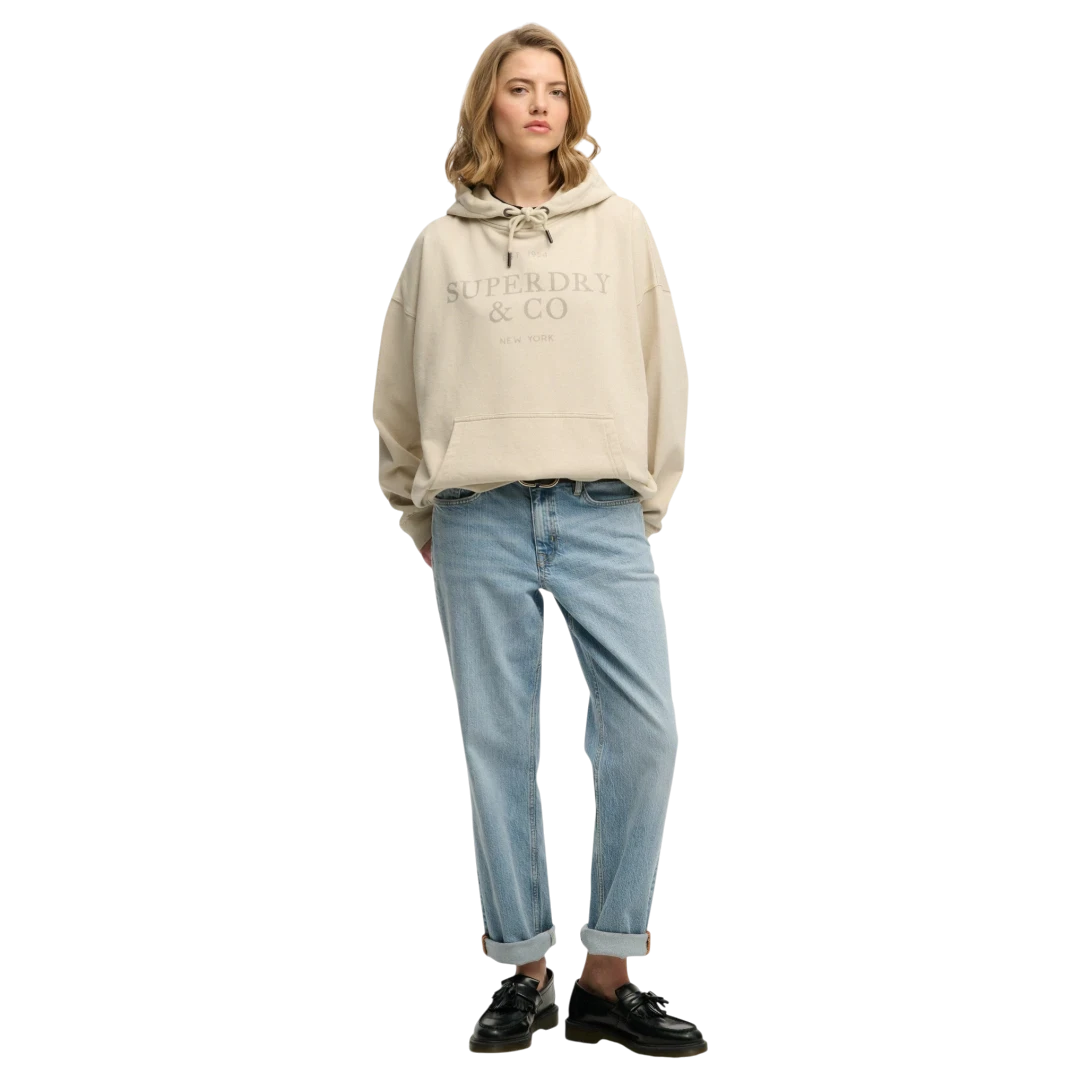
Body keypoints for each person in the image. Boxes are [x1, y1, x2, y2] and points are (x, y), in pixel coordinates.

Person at [372, 24, 706, 1057]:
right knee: (501, 748)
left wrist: (646, 502)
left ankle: (607, 975)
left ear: (574, 108)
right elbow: (398, 398)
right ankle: (521, 973)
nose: (538, 105)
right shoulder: (439, 246)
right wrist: (422, 513)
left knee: (644, 735)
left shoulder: (621, 229)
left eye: (554, 89)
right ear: (489, 104)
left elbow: (662, 370)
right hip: (479, 516)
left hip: (602, 511)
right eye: (518, 88)